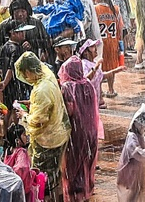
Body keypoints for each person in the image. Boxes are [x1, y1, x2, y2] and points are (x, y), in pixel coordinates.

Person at [15, 52, 68, 202]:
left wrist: (24, 116)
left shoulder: (41, 90)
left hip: (48, 140)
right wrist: (33, 105)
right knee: (54, 175)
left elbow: (38, 121)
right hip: (59, 133)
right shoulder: (46, 75)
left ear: (28, 72)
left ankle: (44, 198)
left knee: (42, 177)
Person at [59, 56, 97, 202]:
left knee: (73, 166)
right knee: (87, 162)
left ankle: (75, 195)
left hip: (76, 132)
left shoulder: (68, 87)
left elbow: (69, 110)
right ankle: (86, 192)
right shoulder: (87, 84)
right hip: (90, 131)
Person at [116, 106, 145, 202]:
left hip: (138, 171)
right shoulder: (132, 137)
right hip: (132, 172)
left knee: (139, 191)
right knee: (133, 192)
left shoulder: (140, 136)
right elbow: (137, 153)